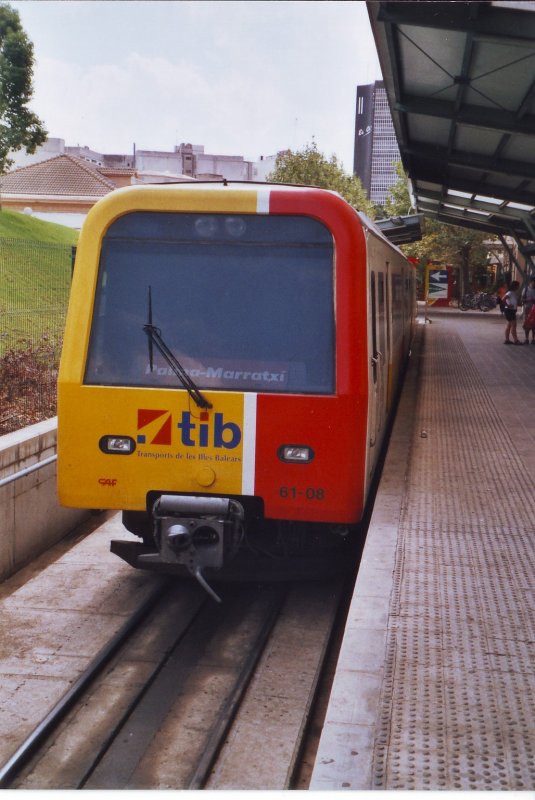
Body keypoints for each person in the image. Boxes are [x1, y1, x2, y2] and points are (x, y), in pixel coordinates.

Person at [502, 280, 522, 345]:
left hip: (511, 311)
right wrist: (508, 305)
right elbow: (503, 299)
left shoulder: (513, 292)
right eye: (518, 285)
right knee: (514, 325)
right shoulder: (510, 293)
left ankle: (507, 340)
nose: (518, 287)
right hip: (509, 310)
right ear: (515, 286)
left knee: (509, 325)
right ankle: (516, 340)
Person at [521, 276, 535, 344]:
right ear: (531, 282)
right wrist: (527, 300)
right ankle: (526, 338)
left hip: (534, 310)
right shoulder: (526, 289)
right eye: (534, 282)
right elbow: (522, 299)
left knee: (534, 325)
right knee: (527, 324)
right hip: (527, 309)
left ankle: (533, 338)